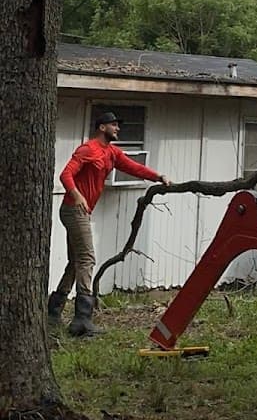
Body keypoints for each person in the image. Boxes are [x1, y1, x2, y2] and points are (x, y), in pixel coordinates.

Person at [48, 111, 171, 337]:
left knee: (76, 262)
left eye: (118, 125)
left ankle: (53, 312)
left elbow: (134, 167)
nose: (118, 129)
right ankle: (82, 321)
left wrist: (158, 176)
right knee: (87, 258)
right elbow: (66, 174)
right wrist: (76, 195)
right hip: (73, 210)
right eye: (114, 125)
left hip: (81, 212)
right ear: (102, 127)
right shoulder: (88, 149)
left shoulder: (112, 153)